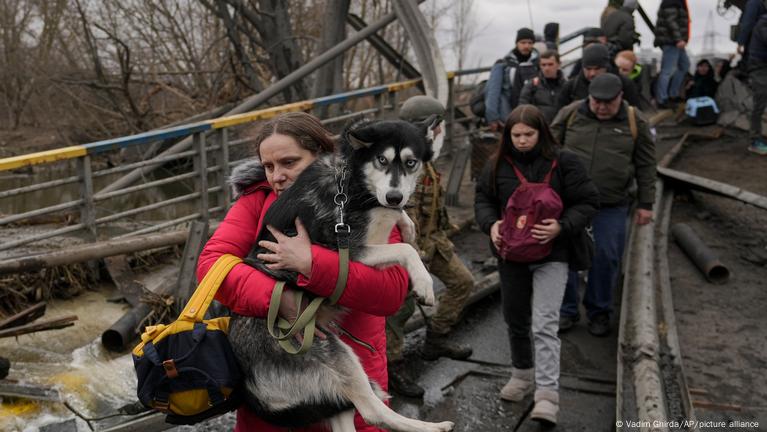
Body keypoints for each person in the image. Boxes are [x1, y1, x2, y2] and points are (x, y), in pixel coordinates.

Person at [196, 112, 411, 431]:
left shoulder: (362, 200)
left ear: (321, 157)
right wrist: (279, 298)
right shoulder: (256, 200)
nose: (276, 176)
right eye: (269, 166)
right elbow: (210, 265)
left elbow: (391, 292)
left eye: (289, 162)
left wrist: (313, 265)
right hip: (276, 384)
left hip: (349, 385)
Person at [474, 105, 599, 425]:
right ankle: (521, 374)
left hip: (552, 254)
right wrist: (490, 224)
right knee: (515, 318)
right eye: (515, 135)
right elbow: (483, 200)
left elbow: (587, 201)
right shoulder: (497, 164)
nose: (522, 141)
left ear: (541, 132)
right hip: (511, 253)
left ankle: (547, 395)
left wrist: (562, 226)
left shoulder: (564, 162)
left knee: (544, 323)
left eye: (528, 134)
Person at [551, 74, 657, 336]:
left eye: (607, 103)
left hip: (610, 204)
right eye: (596, 101)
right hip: (569, 203)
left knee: (606, 257)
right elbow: (548, 150)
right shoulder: (571, 114)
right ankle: (566, 310)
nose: (601, 107)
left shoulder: (635, 121)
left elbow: (646, 165)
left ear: (620, 97)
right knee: (563, 256)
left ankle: (599, 311)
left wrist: (646, 203)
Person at [385, 96, 475, 399]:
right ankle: (392, 365)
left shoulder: (423, 154)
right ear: (432, 125)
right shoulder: (402, 161)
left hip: (433, 243)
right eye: (440, 124)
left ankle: (435, 339)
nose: (443, 130)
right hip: (409, 249)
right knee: (400, 308)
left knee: (462, 282)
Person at [484, 28, 540, 131]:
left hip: (532, 114)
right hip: (508, 115)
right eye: (523, 42)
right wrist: (492, 117)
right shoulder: (503, 64)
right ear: (517, 43)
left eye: (530, 42)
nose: (526, 46)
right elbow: (493, 91)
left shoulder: (539, 63)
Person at [557, 44, 641, 111]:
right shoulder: (571, 87)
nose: (592, 73)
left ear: (606, 67)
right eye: (588, 69)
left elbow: (635, 114)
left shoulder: (625, 85)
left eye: (597, 69)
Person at [736, 0, 767, 155]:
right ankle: (755, 141)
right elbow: (747, 23)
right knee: (760, 101)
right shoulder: (763, 22)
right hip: (759, 67)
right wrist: (741, 42)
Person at [654, 0, 691, 109]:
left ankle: (673, 94)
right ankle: (662, 99)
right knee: (667, 71)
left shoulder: (678, 2)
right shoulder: (672, 2)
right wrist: (678, 39)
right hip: (672, 41)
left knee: (684, 65)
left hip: (675, 42)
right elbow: (671, 21)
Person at [519, 50, 567, 123]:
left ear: (558, 64)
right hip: (539, 127)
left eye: (550, 64)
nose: (546, 68)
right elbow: (522, 109)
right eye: (543, 65)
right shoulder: (532, 85)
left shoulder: (567, 85)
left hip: (560, 128)